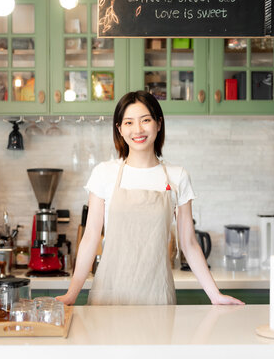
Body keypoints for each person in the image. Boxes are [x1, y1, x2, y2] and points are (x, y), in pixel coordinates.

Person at [56, 91, 244, 306]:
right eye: (128, 122)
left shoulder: (177, 176)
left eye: (145, 120)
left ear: (158, 123)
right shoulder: (104, 173)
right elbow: (90, 238)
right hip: (108, 296)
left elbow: (189, 243)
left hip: (157, 295)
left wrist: (215, 295)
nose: (138, 130)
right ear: (119, 129)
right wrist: (72, 294)